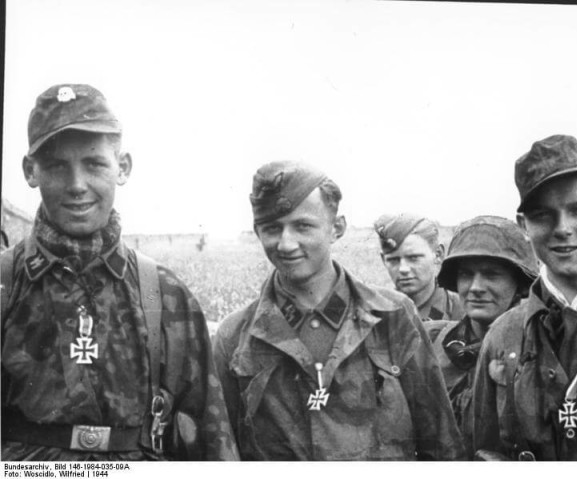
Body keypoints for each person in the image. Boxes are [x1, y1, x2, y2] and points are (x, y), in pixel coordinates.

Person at [1, 84, 238, 461]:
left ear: (122, 167)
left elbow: (212, 443)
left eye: (94, 164)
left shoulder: (165, 295)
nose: (77, 185)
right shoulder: (5, 285)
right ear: (31, 171)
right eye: (57, 166)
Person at [212, 161, 465, 460]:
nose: (286, 243)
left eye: (302, 226)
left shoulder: (393, 316)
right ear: (257, 232)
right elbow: (221, 455)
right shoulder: (235, 337)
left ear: (337, 228)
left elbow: (442, 446)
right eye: (272, 228)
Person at [473, 134, 577, 461]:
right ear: (523, 225)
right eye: (543, 215)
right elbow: (483, 452)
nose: (562, 228)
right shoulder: (503, 336)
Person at [423, 215, 537, 458]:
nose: (475, 287)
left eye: (491, 275)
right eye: (466, 275)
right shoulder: (432, 342)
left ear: (518, 283)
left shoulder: (538, 350)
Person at [374, 213, 464, 322]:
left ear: (438, 254)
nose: (403, 269)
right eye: (393, 260)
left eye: (413, 258)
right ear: (383, 260)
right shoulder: (375, 313)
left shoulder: (463, 311)